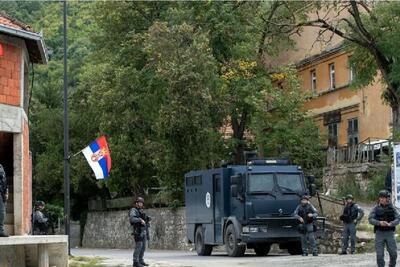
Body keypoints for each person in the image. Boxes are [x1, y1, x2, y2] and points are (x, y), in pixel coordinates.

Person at [369, 190, 400, 267]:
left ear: (388, 198)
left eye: (384, 198)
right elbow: (370, 219)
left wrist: (391, 224)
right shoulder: (375, 208)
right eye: (381, 198)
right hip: (379, 233)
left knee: (393, 254)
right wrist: (379, 223)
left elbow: (398, 218)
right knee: (379, 255)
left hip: (390, 233)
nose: (382, 199)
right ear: (379, 198)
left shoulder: (393, 208)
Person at [129, 197, 150, 267]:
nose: (141, 204)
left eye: (142, 203)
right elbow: (132, 219)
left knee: (143, 247)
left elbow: (144, 220)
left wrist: (147, 219)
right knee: (139, 246)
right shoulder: (133, 210)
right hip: (137, 231)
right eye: (139, 203)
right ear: (136, 203)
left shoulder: (141, 211)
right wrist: (140, 220)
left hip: (143, 231)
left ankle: (141, 261)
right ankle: (135, 262)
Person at [0, 164, 8, 237]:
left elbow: (4, 182)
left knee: (2, 212)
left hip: (2, 193)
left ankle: (1, 231)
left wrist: (6, 192)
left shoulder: (1, 167)